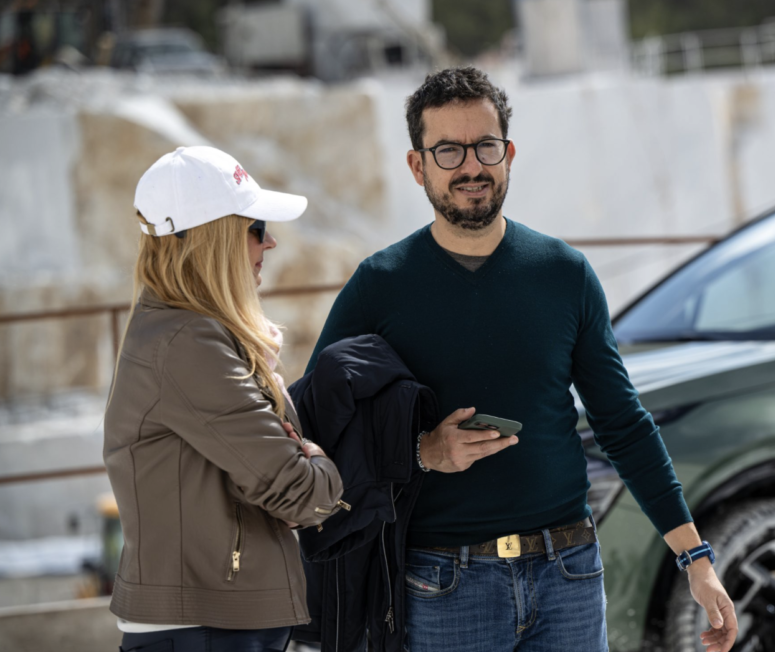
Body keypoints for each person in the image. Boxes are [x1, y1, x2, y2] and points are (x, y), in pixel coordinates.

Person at [307, 68, 737, 652]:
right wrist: (421, 452)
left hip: (569, 575)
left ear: (508, 155)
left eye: (485, 146)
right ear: (418, 166)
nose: (471, 167)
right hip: (442, 584)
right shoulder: (378, 286)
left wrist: (696, 558)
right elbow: (318, 426)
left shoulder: (564, 274)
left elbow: (622, 423)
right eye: (448, 151)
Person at [104, 146, 346, 652]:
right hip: (205, 628)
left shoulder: (182, 332)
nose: (270, 241)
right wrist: (319, 464)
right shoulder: (187, 343)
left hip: (210, 622)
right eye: (256, 227)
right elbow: (303, 494)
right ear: (213, 238)